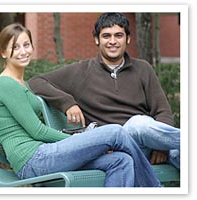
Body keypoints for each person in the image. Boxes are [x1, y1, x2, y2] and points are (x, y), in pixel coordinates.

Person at [0, 23, 161, 187]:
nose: (23, 51)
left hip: (42, 153)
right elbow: (37, 131)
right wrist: (79, 140)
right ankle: (154, 190)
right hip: (31, 160)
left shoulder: (21, 83)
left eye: (26, 45)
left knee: (121, 161)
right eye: (15, 47)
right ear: (4, 52)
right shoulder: (6, 84)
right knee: (115, 132)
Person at [28, 13, 180, 169]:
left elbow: (163, 111)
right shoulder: (81, 71)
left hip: (146, 146)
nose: (112, 41)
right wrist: (67, 103)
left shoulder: (143, 69)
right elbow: (36, 82)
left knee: (180, 153)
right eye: (106, 36)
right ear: (97, 40)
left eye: (118, 35)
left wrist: (162, 146)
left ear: (127, 39)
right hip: (115, 147)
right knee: (138, 123)